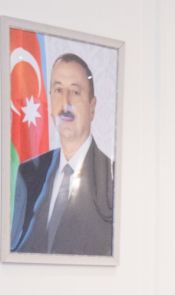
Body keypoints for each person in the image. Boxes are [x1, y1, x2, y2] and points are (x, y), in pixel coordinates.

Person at [11, 52, 114, 256]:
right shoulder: (28, 174)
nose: (65, 102)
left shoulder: (113, 179)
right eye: (58, 90)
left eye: (75, 92)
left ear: (92, 107)